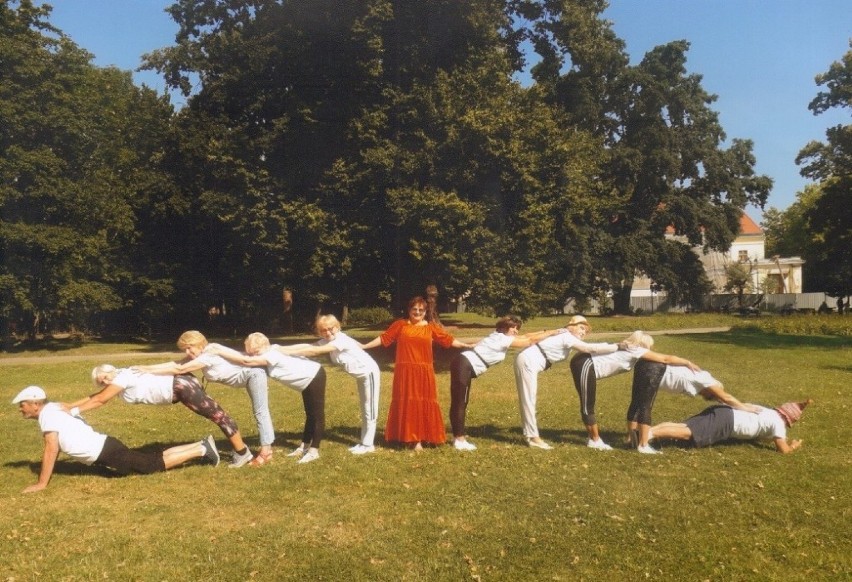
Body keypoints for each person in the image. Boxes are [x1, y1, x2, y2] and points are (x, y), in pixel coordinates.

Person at [12, 386, 218, 493]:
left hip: (105, 451)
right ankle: (200, 444)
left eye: (23, 404)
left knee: (150, 465)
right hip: (106, 447)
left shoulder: (48, 414)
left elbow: (51, 449)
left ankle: (202, 450)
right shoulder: (54, 407)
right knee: (150, 459)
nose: (21, 408)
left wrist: (41, 483)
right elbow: (83, 400)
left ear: (35, 404)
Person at [61, 365, 250, 466]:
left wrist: (75, 412)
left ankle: (243, 453)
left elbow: (101, 400)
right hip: (181, 386)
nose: (105, 382)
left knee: (219, 417)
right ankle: (240, 452)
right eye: (102, 382)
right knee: (218, 416)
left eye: (105, 378)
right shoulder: (121, 376)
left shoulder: (121, 378)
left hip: (181, 387)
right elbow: (98, 396)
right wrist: (70, 405)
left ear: (110, 372)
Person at [133, 330, 270, 467]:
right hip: (248, 376)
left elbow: (180, 370)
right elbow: (177, 364)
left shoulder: (209, 354)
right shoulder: (205, 352)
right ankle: (248, 452)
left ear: (198, 344)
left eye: (189, 348)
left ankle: (266, 452)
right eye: (184, 349)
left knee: (260, 412)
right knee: (259, 412)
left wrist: (149, 371)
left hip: (254, 375)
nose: (187, 352)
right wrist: (146, 368)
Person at [361, 296, 474, 450]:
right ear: (409, 310)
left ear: (425, 312)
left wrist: (465, 345)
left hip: (424, 372)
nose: (417, 312)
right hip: (405, 372)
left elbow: (447, 339)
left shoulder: (430, 327)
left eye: (421, 310)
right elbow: (384, 338)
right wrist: (365, 346)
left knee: (423, 402)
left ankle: (424, 436)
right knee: (408, 402)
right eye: (414, 309)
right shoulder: (400, 325)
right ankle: (412, 440)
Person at [569, 330, 702, 452]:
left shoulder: (629, 348)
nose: (651, 349)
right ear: (643, 343)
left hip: (583, 362)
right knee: (587, 404)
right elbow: (665, 358)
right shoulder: (635, 349)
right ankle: (595, 440)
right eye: (650, 345)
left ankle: (597, 439)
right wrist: (687, 362)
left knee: (588, 403)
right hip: (585, 363)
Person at [448, 316, 564, 451]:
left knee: (461, 401)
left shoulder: (499, 336)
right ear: (504, 328)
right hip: (464, 364)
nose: (516, 330)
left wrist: (551, 331)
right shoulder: (502, 339)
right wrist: (553, 333)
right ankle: (459, 440)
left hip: (463, 362)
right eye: (512, 327)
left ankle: (458, 435)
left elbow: (527, 335)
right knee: (460, 402)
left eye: (517, 328)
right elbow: (529, 340)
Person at [209, 333, 326, 464]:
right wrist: (217, 348)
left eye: (256, 352)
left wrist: (219, 350)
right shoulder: (268, 350)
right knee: (310, 414)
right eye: (252, 353)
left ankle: (314, 451)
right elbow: (244, 355)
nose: (254, 356)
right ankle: (304, 447)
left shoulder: (271, 354)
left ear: (264, 345)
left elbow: (246, 361)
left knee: (317, 414)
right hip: (305, 381)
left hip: (314, 375)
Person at [273, 314, 380, 454]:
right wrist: (281, 348)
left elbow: (314, 351)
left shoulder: (341, 340)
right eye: (323, 330)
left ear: (338, 327)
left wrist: (281, 350)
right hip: (362, 376)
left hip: (369, 372)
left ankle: (368, 445)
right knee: (365, 407)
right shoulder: (328, 340)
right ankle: (364, 443)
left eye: (331, 329)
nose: (328, 332)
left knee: (369, 408)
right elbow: (308, 346)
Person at [514, 315, 620, 450]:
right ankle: (534, 438)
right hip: (529, 360)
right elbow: (589, 349)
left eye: (586, 331)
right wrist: (617, 346)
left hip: (528, 359)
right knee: (529, 399)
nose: (583, 332)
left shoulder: (563, 333)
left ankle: (531, 435)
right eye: (581, 328)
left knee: (528, 399)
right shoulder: (567, 335)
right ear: (572, 326)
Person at [627, 353, 760, 454]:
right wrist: (744, 408)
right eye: (712, 396)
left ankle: (632, 439)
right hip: (655, 371)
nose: (708, 398)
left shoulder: (703, 380)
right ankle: (642, 445)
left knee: (637, 404)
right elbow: (726, 397)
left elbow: (722, 399)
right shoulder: (707, 381)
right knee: (644, 406)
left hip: (645, 367)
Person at [648, 399, 812, 453]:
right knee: (687, 433)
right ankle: (648, 435)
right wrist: (793, 446)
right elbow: (783, 450)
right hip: (727, 421)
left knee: (683, 426)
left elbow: (747, 406)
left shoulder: (767, 411)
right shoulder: (779, 425)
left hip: (723, 410)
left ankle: (647, 431)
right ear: (788, 420)